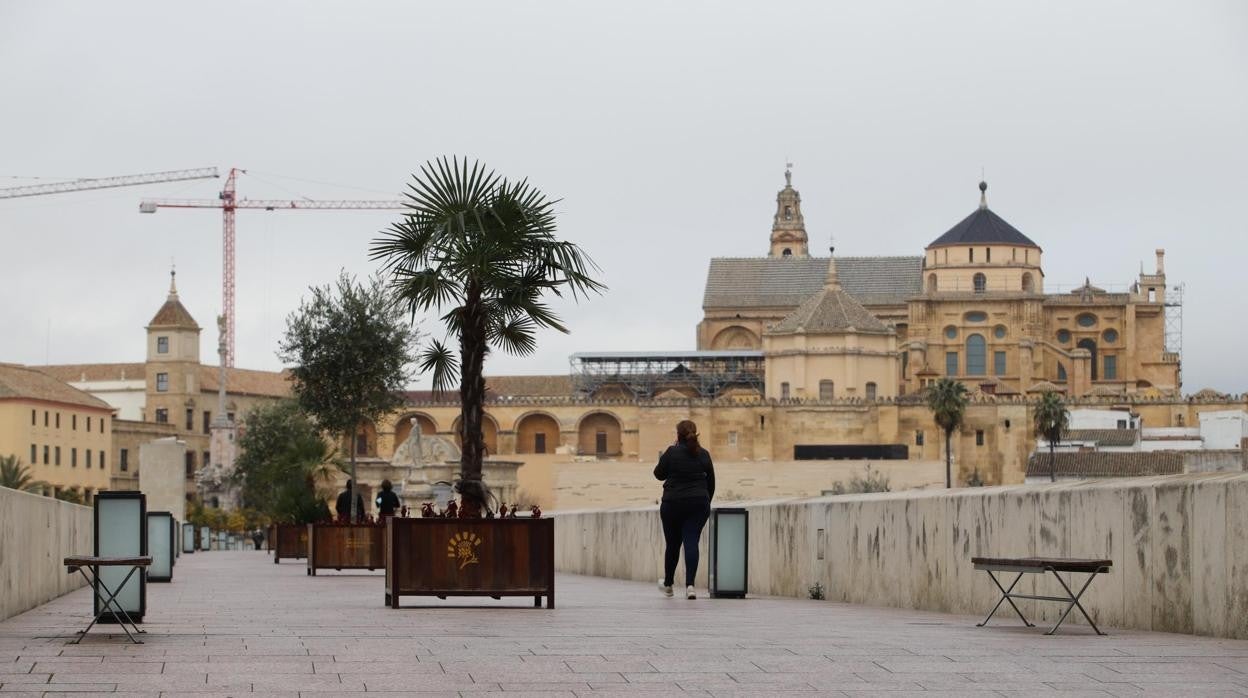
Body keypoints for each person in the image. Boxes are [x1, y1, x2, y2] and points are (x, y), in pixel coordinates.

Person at [653, 419, 715, 599]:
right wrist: (705, 502)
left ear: (678, 435)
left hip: (672, 503)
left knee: (672, 544)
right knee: (691, 541)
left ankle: (669, 585)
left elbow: (658, 474)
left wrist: (670, 452)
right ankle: (690, 586)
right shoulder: (703, 454)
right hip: (698, 503)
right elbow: (711, 482)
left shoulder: (672, 452)